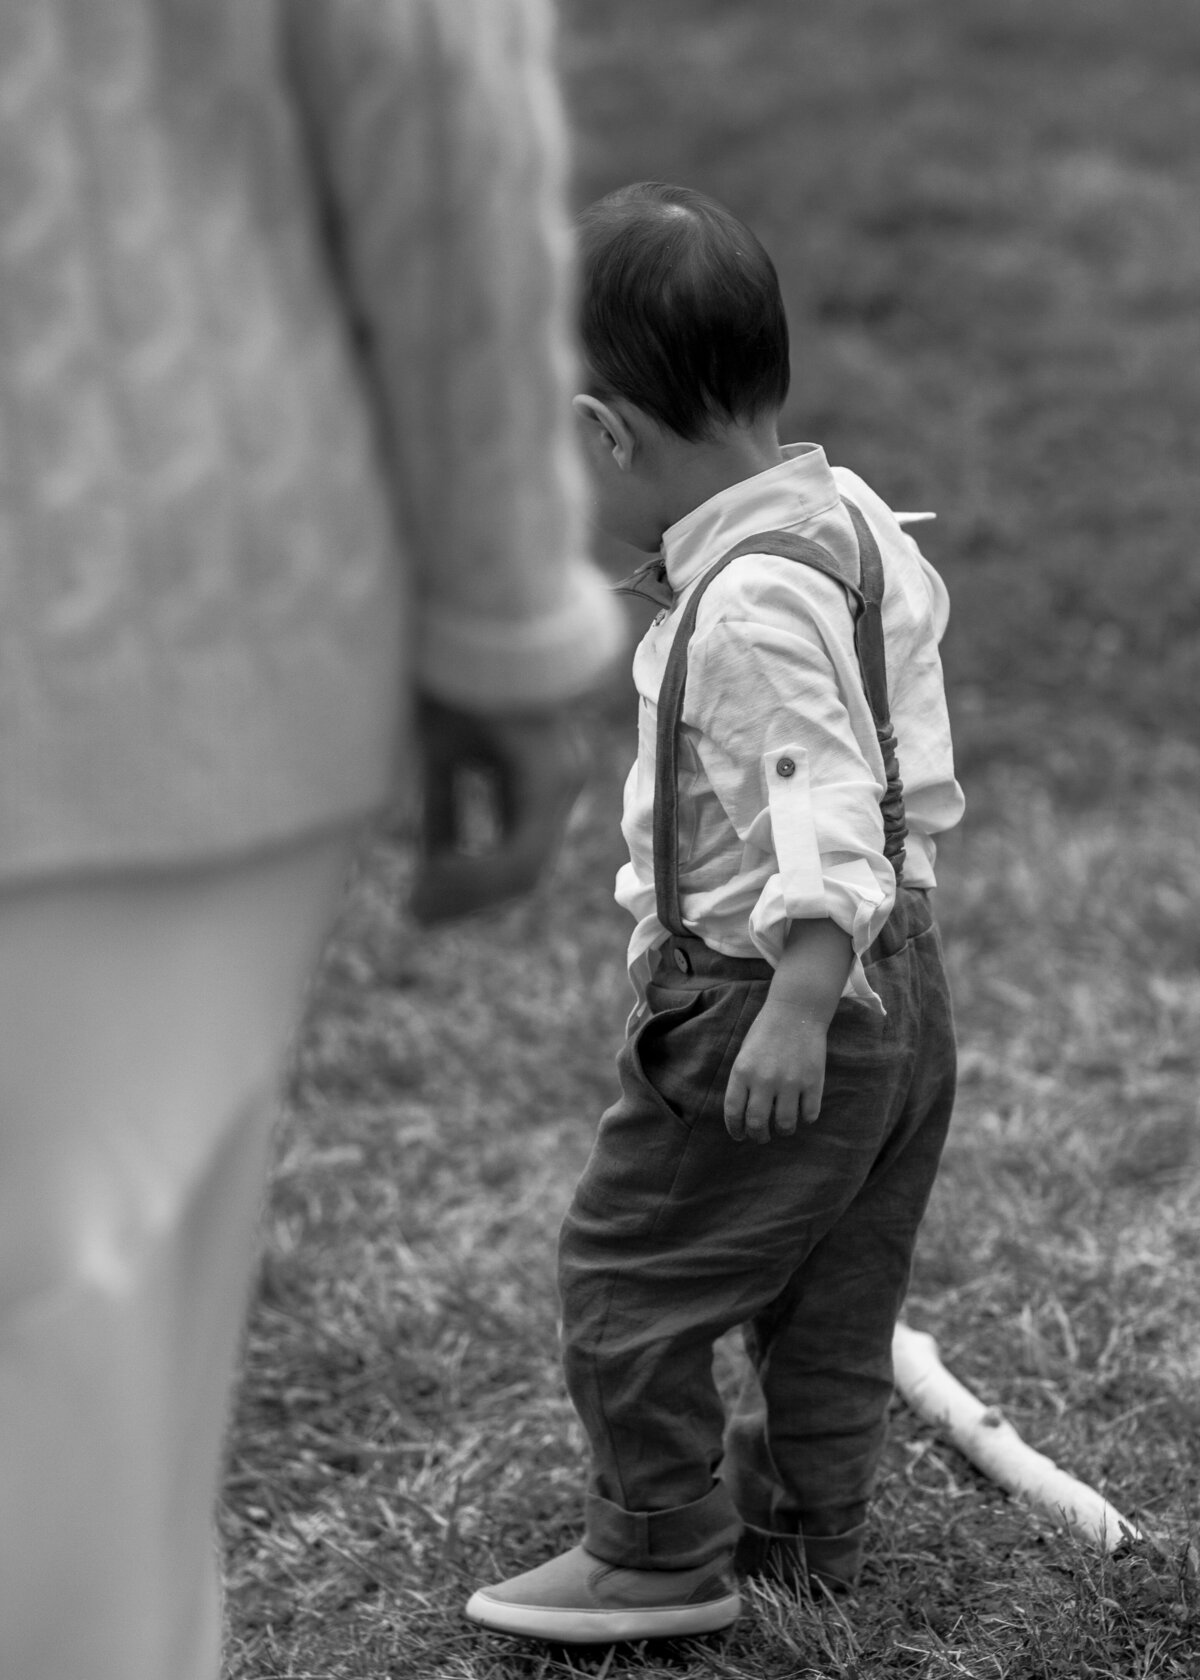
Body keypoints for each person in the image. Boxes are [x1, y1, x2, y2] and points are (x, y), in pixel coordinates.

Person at [0, 4, 623, 1679]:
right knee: (77, 1399)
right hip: (151, 621)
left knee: (76, 1404)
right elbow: (432, 98)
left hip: (124, 635)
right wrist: (497, 616)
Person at [466, 181, 965, 1643]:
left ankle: (657, 1550)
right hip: (906, 983)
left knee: (629, 1272)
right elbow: (890, 737)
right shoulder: (845, 516)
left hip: (773, 986)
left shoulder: (743, 607)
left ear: (603, 434)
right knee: (827, 1285)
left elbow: (813, 793)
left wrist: (798, 999)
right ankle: (805, 1529)